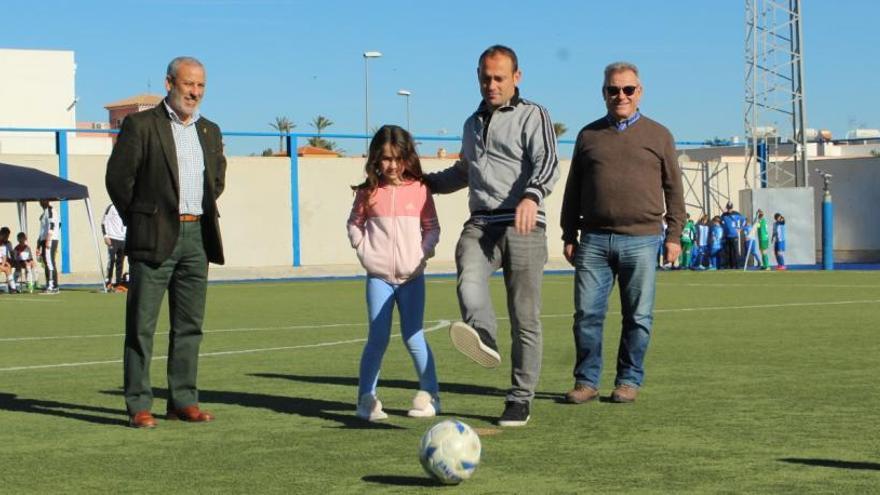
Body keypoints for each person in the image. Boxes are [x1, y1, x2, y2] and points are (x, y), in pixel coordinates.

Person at [425, 45, 559, 427]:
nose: (491, 84)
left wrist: (532, 196)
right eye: (485, 77)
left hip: (523, 224)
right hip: (482, 222)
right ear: (478, 76)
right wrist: (421, 183)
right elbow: (464, 172)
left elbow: (547, 162)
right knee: (467, 274)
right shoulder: (472, 123)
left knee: (525, 318)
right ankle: (483, 333)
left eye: (499, 77)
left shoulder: (533, 115)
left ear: (517, 77)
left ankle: (520, 398)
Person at [105, 56, 226, 429]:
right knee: (142, 325)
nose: (195, 92)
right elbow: (118, 180)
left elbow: (216, 181)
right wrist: (142, 221)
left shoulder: (210, 130)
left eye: (201, 86)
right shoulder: (141, 126)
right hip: (154, 237)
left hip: (197, 237)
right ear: (170, 83)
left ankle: (183, 400)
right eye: (189, 84)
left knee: (190, 326)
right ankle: (139, 404)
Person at [560, 61, 685, 405]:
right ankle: (586, 381)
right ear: (604, 93)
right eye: (613, 90)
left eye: (628, 89)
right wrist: (568, 232)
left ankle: (628, 380)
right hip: (594, 240)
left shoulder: (659, 135)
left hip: (642, 240)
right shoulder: (588, 136)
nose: (621, 96)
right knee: (586, 315)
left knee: (639, 317)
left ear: (639, 92)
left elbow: (674, 189)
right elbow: (573, 189)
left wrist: (673, 235)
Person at [347, 125, 441, 422]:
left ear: (407, 158)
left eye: (398, 158)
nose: (392, 165)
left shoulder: (421, 189)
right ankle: (366, 399)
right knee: (377, 339)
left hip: (412, 278)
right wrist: (364, 251)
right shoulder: (368, 192)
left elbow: (432, 228)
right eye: (386, 158)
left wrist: (421, 254)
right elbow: (354, 224)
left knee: (414, 337)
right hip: (379, 279)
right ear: (376, 158)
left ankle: (430, 395)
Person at [101, 203, 127, 291]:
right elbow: (103, 222)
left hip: (122, 239)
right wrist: (105, 236)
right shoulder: (111, 207)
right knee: (111, 260)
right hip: (112, 238)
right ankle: (108, 282)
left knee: (120, 261)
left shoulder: (126, 207)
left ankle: (118, 283)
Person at [36, 200, 59, 293]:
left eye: (42, 200)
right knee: (46, 263)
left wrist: (49, 238)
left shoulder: (50, 210)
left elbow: (52, 224)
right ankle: (51, 284)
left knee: (50, 262)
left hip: (50, 239)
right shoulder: (45, 212)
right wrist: (38, 244)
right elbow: (42, 229)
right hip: (43, 239)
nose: (40, 202)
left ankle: (52, 286)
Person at [720, 202, 745, 269]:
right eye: (728, 208)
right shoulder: (724, 215)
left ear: (732, 208)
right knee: (728, 251)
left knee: (735, 251)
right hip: (727, 236)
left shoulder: (736, 214)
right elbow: (721, 222)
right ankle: (729, 265)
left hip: (734, 236)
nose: (729, 210)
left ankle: (737, 265)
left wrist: (740, 229)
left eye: (730, 208)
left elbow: (744, 220)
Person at [0, 227, 16, 294]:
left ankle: (13, 288)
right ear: (2, 234)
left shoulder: (3, 244)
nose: (7, 237)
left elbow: (4, 256)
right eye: (6, 235)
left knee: (7, 268)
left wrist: (3, 265)